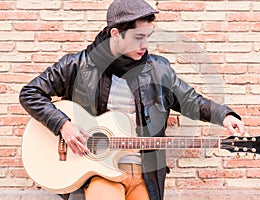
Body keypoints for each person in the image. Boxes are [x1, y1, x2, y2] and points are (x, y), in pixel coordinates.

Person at [19, 0, 245, 200]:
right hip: (100, 171)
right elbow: (30, 93)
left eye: (148, 37)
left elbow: (191, 101)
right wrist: (63, 124)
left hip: (143, 173)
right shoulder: (77, 65)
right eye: (138, 37)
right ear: (116, 34)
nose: (145, 45)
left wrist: (224, 115)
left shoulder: (159, 70)